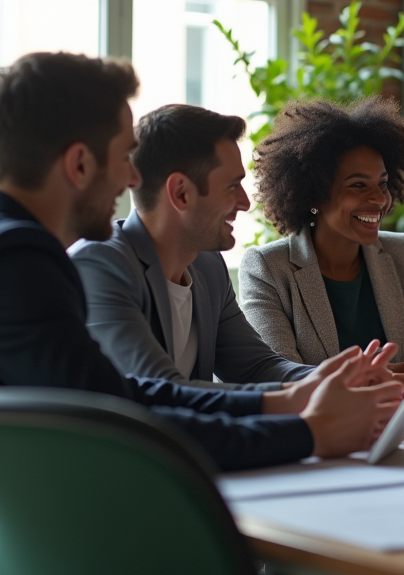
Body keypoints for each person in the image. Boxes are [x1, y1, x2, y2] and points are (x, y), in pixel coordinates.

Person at [0, 53, 403, 575]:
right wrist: (307, 434)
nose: (129, 178)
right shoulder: (13, 261)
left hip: (6, 558)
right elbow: (124, 422)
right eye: (123, 158)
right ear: (77, 164)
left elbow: (118, 395)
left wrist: (284, 403)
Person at [71, 104, 312, 388]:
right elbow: (162, 390)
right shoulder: (99, 264)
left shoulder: (207, 265)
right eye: (232, 186)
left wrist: (340, 378)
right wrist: (292, 401)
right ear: (181, 193)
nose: (246, 203)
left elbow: (257, 367)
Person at [239, 96, 404, 369]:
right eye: (358, 186)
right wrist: (389, 378)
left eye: (383, 184)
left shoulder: (402, 252)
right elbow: (279, 374)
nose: (379, 199)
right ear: (315, 195)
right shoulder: (268, 268)